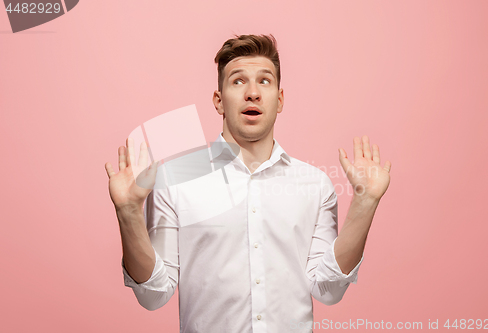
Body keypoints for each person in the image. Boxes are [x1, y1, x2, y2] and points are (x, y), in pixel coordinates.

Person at [104, 34, 391, 333]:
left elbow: (329, 290)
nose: (252, 93)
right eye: (238, 81)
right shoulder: (175, 180)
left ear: (279, 100)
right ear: (219, 101)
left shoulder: (314, 185)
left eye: (264, 81)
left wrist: (365, 203)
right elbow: (153, 295)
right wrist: (128, 212)